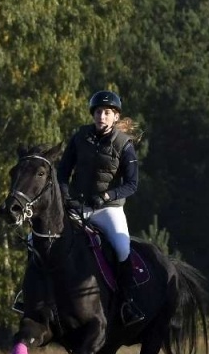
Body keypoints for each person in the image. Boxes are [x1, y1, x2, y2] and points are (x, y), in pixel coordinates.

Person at [57, 89, 146, 327]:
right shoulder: (80, 137)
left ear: (115, 117)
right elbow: (62, 172)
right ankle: (33, 295)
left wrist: (107, 196)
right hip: (78, 206)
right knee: (39, 238)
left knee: (122, 248)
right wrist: (66, 196)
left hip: (108, 209)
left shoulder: (124, 144)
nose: (101, 116)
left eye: (107, 112)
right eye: (98, 112)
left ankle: (127, 302)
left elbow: (132, 184)